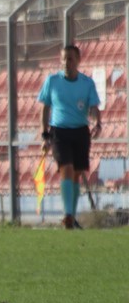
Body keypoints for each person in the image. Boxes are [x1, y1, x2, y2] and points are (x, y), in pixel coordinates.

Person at [38, 44, 102, 229]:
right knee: (66, 169)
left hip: (81, 132)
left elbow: (94, 107)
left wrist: (97, 123)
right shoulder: (52, 81)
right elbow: (45, 108)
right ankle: (67, 214)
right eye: (64, 58)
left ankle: (71, 217)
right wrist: (45, 134)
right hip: (59, 132)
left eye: (71, 58)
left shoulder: (87, 83)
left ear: (78, 60)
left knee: (75, 175)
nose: (67, 62)